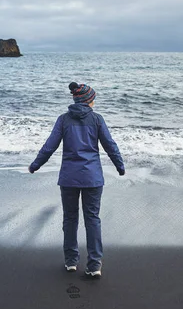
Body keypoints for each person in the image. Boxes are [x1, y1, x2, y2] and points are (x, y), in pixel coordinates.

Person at [29, 82, 125, 279]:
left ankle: (71, 261)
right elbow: (110, 145)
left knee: (70, 219)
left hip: (69, 178)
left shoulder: (63, 120)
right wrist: (120, 166)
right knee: (92, 219)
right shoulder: (97, 120)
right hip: (92, 178)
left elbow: (49, 146)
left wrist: (36, 164)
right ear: (88, 100)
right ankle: (94, 264)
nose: (94, 102)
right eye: (93, 98)